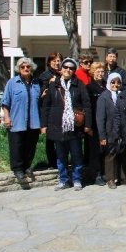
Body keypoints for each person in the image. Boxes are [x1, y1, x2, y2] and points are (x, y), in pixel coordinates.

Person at [41, 58, 92, 191]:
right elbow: (46, 106)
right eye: (65, 67)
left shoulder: (79, 85)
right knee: (61, 156)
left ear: (74, 70)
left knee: (76, 154)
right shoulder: (54, 85)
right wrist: (44, 125)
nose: (68, 70)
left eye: (71, 68)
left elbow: (87, 105)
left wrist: (87, 124)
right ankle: (63, 180)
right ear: (61, 69)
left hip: (75, 127)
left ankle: (77, 179)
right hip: (58, 125)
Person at [2, 57, 42, 188]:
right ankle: (18, 169)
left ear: (32, 68)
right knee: (17, 146)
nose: (25, 69)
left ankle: (27, 166)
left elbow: (40, 101)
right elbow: (5, 102)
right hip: (17, 120)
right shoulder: (12, 83)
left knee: (30, 145)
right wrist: (7, 118)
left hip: (33, 121)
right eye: (22, 67)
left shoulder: (36, 83)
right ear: (19, 69)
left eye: (28, 67)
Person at [96, 73, 123, 189]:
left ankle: (122, 177)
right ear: (109, 82)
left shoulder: (122, 95)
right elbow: (100, 118)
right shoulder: (104, 97)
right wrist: (102, 136)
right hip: (109, 131)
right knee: (110, 155)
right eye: (113, 82)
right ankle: (110, 179)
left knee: (122, 153)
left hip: (121, 131)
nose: (116, 85)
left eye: (118, 82)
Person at [38, 52, 63, 169]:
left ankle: (61, 159)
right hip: (49, 109)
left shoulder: (63, 73)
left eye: (59, 61)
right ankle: (52, 162)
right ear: (49, 62)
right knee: (51, 138)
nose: (57, 63)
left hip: (61, 109)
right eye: (54, 61)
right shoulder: (45, 75)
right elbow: (40, 92)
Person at [86, 61, 107, 186]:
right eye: (97, 71)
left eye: (102, 71)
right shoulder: (88, 88)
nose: (100, 73)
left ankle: (105, 172)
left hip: (106, 124)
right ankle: (96, 174)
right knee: (95, 151)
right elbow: (87, 107)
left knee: (105, 150)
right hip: (94, 124)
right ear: (92, 73)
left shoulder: (107, 86)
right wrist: (88, 125)